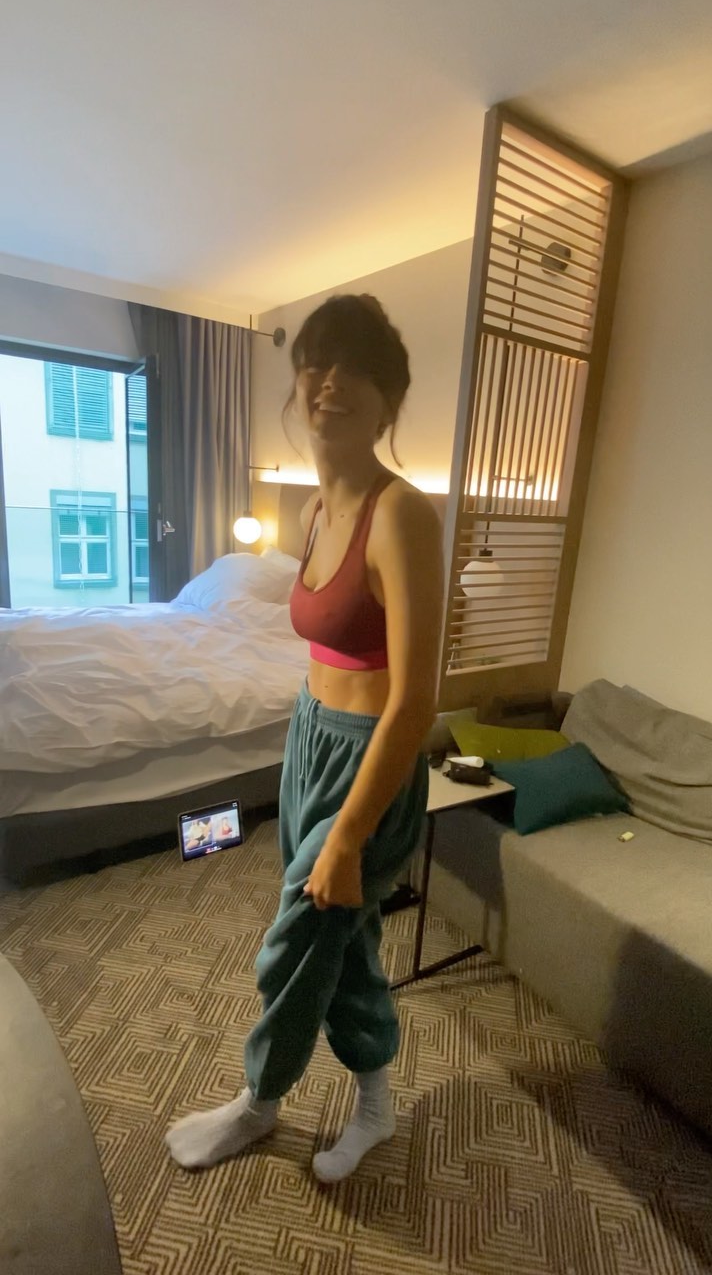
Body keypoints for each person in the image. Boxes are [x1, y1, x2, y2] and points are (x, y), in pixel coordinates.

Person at [166, 293, 444, 1183]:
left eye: (356, 366)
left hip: (371, 755)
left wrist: (351, 835)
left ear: (389, 401)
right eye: (317, 361)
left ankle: (259, 1102)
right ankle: (376, 1106)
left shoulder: (403, 515)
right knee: (342, 938)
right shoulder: (316, 512)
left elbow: (416, 701)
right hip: (309, 739)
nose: (330, 380)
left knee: (299, 934)